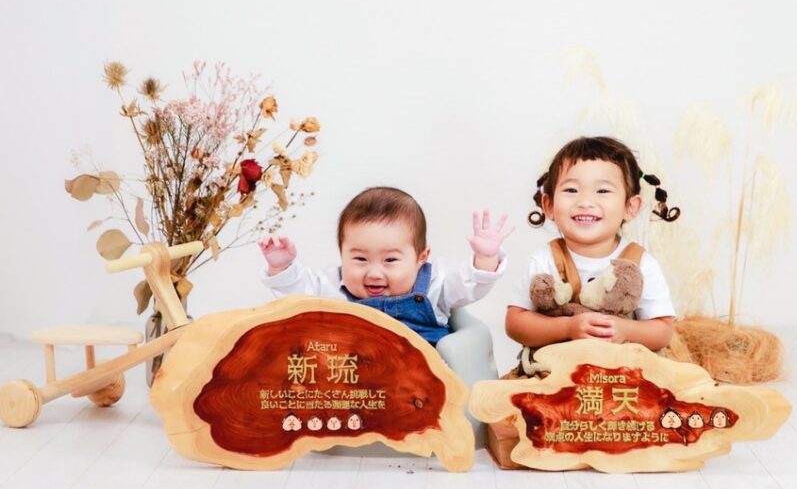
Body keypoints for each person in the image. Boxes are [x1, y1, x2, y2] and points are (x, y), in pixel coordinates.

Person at [259, 186, 513, 346]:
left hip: (422, 387)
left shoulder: (436, 284)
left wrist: (485, 258)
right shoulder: (332, 287)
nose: (374, 273)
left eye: (390, 260)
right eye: (360, 259)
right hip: (356, 386)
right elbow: (299, 294)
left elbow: (470, 284)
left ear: (421, 257)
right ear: (342, 254)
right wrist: (282, 268)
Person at [505, 136, 680, 358]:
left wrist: (625, 330)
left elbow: (663, 331)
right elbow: (515, 323)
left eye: (603, 191)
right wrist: (567, 328)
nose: (585, 202)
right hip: (558, 371)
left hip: (623, 371)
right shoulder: (545, 259)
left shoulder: (640, 263)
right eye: (571, 190)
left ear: (630, 207)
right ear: (548, 206)